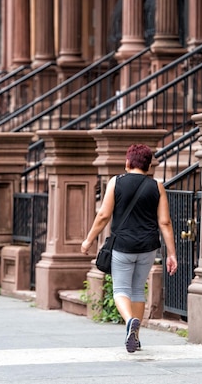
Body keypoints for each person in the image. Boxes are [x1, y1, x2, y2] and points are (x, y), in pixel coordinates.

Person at [80, 144, 178, 353]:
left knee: (120, 290)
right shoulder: (157, 186)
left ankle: (129, 322)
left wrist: (89, 240)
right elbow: (165, 222)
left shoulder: (116, 182)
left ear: (128, 162)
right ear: (148, 165)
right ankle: (136, 336)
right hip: (148, 247)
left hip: (123, 246)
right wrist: (172, 254)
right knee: (137, 291)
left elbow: (104, 215)